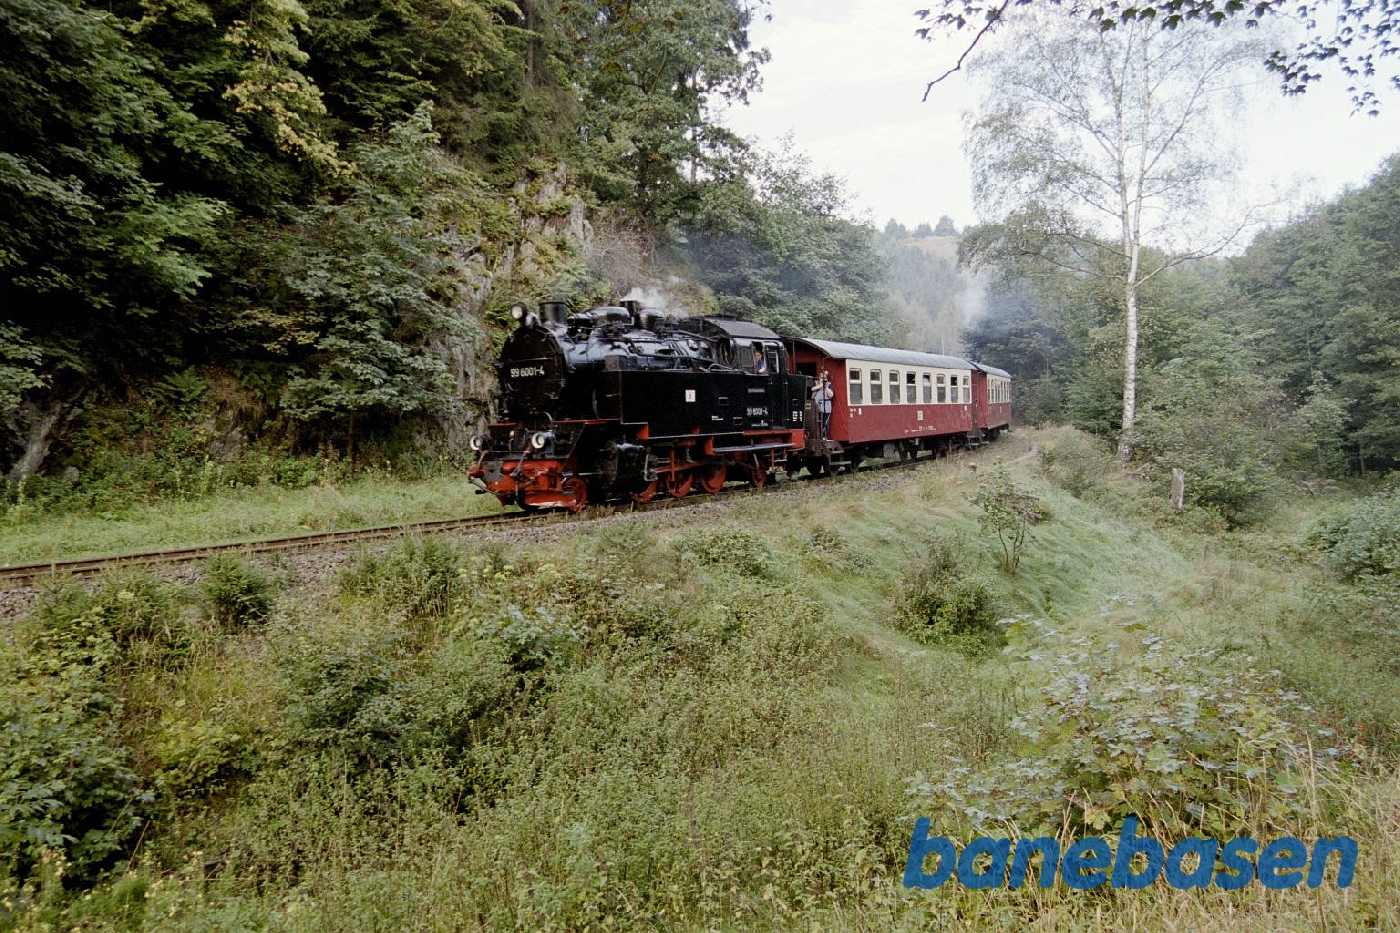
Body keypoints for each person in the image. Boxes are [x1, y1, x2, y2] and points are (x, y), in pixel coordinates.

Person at [811, 371, 834, 438]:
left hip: (826, 405)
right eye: (821, 377)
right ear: (819, 377)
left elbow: (831, 395)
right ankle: (817, 435)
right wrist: (821, 385)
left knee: (825, 422)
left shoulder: (829, 384)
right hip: (816, 404)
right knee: (816, 421)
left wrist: (826, 387)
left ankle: (825, 436)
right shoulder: (815, 383)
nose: (823, 379)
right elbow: (812, 389)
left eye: (824, 378)